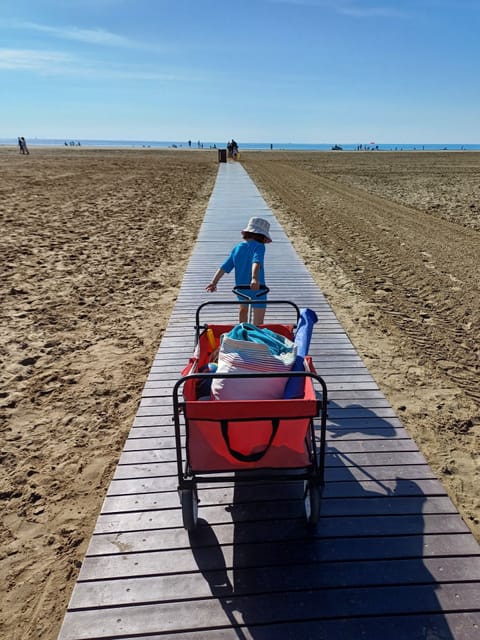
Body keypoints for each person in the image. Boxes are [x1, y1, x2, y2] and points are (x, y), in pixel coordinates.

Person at [206, 217, 272, 325]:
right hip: (257, 289)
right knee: (258, 322)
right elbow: (256, 262)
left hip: (241, 288)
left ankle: (242, 333)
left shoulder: (237, 248)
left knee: (243, 311)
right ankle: (256, 336)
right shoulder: (259, 247)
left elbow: (224, 267)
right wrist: (254, 278)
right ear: (262, 236)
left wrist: (214, 282)